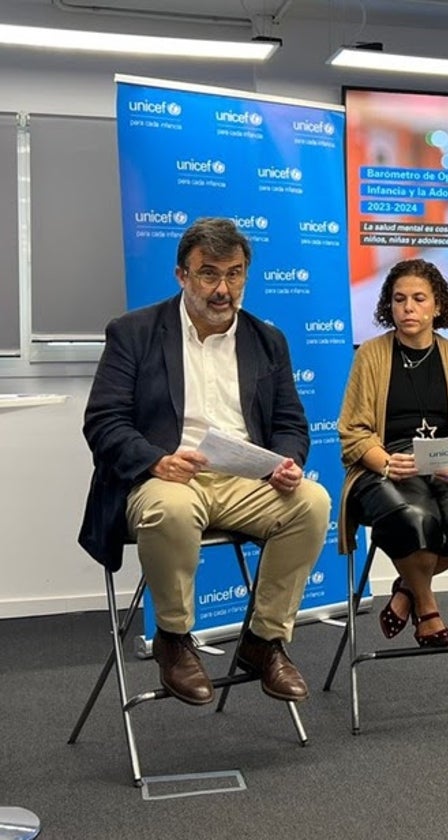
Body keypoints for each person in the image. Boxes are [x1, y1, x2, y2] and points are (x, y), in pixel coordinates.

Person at [80, 217, 331, 706]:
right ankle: (174, 640)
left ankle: (263, 641)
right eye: (209, 274)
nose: (223, 289)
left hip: (243, 480)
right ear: (181, 275)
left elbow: (290, 424)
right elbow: (104, 422)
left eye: (234, 274)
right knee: (171, 509)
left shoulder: (266, 340)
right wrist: (156, 461)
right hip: (168, 478)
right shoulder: (134, 333)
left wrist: (286, 461)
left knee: (313, 502)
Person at [338, 259, 448, 648]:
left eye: (418, 299)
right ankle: (427, 608)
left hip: (447, 462)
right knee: (415, 519)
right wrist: (383, 461)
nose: (408, 308)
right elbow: (352, 431)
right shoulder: (371, 356)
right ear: (389, 306)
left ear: (437, 307)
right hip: (388, 463)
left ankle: (408, 589)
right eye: (399, 300)